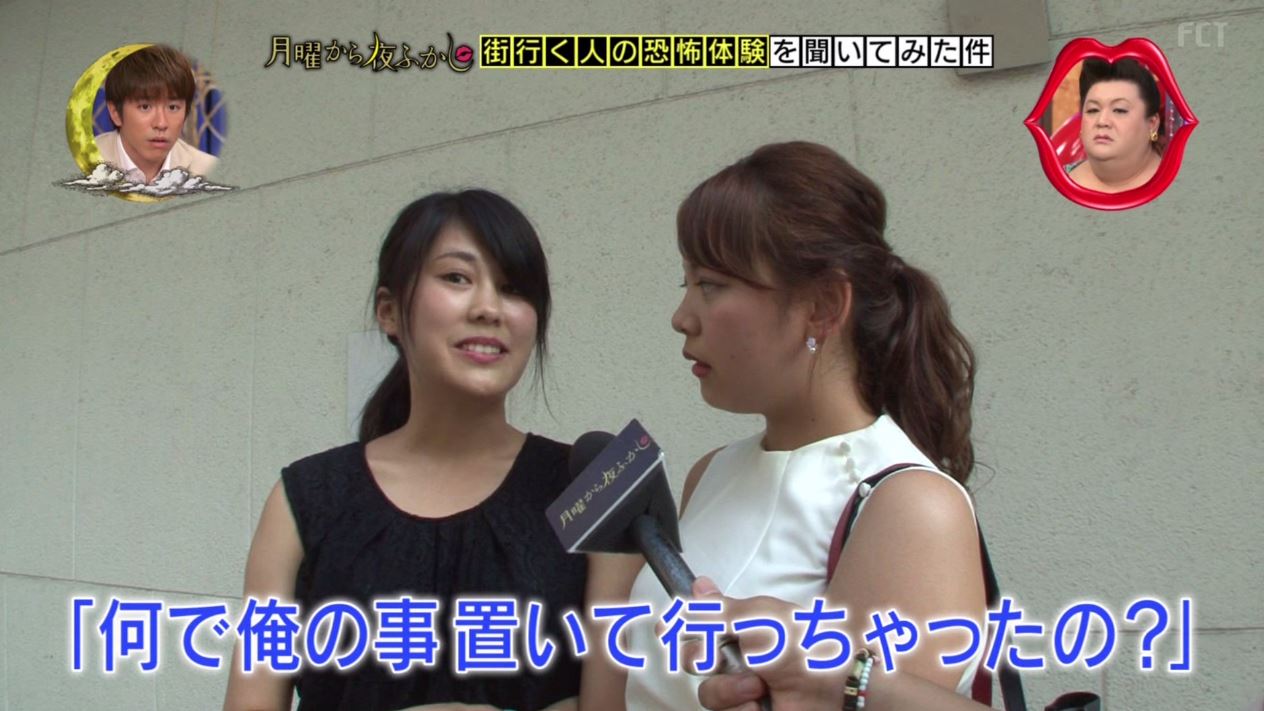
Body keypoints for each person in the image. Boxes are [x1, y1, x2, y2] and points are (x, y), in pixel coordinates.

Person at [577, 141, 994, 711]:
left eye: (711, 284)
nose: (682, 317)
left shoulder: (911, 507)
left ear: (822, 306)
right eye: (686, 284)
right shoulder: (712, 472)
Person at [223, 190, 586, 711]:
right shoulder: (305, 499)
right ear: (390, 312)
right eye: (457, 278)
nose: (488, 308)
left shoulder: (586, 488)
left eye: (513, 288)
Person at [96, 44, 218, 184]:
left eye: (172, 107)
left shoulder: (208, 170)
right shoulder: (86, 162)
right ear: (115, 113)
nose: (161, 123)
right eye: (145, 107)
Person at [1066, 58, 1164, 193]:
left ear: (1152, 124)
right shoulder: (1054, 181)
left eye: (1119, 110)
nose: (1102, 121)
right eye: (1093, 110)